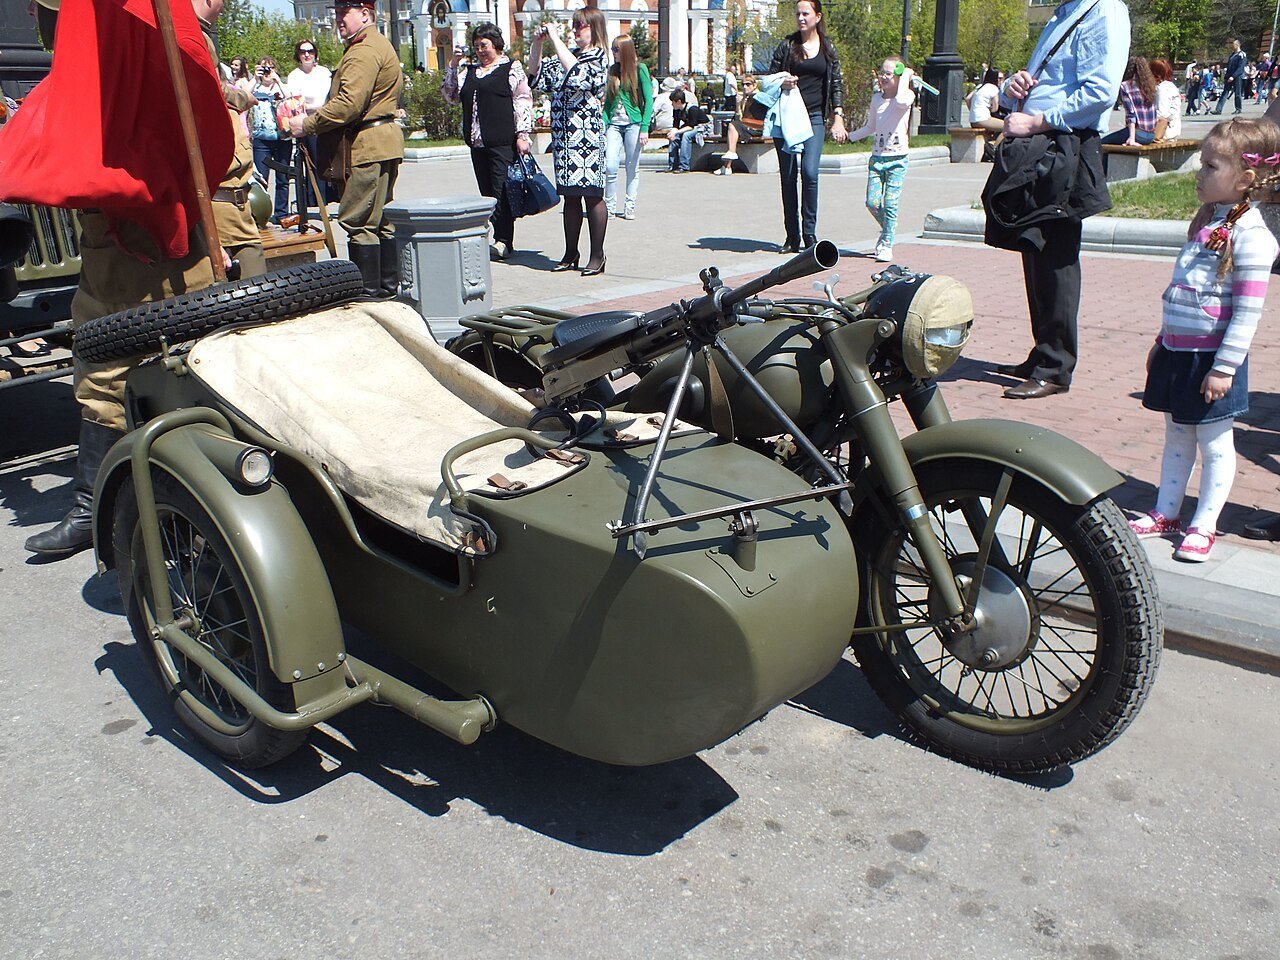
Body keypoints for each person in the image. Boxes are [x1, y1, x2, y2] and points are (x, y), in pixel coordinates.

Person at [24, 0, 255, 559]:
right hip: (123, 222)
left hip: (162, 222)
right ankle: (98, 503)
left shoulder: (153, 35)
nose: (39, 19)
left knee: (179, 363)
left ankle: (197, 505)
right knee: (110, 360)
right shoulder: (115, 40)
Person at [1127, 119, 1280, 561]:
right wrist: (1163, 340)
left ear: (1245, 178)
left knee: (1214, 444)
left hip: (1212, 360)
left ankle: (1204, 524)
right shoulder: (1209, 221)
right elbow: (1182, 288)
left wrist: (1224, 367)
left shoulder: (1252, 237)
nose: (1199, 172)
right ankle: (1167, 511)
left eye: (1211, 166)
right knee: (1177, 435)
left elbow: (1247, 313)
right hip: (1179, 352)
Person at [988, 0, 1128, 401]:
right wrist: (1013, 90)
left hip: (1064, 146)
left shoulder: (1104, 10)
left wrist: (1036, 121)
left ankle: (1055, 367)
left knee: (1056, 257)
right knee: (1036, 251)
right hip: (1043, 144)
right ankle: (1043, 354)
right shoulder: (1065, 13)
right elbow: (1054, 83)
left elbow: (1099, 92)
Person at [290, 0, 405, 300]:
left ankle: (368, 299)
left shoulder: (363, 50)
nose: (338, 19)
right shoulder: (376, 43)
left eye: (345, 13)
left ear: (365, 14)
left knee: (359, 221)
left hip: (367, 145)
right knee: (379, 220)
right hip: (380, 141)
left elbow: (348, 104)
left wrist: (308, 124)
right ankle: (386, 294)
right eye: (337, 13)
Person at [442, 22, 533, 261]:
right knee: (487, 193)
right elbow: (450, 95)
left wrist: (523, 135)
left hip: (502, 141)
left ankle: (504, 240)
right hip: (477, 144)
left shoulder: (510, 68)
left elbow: (522, 100)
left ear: (496, 44)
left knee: (502, 190)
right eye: (477, 46)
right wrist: (453, 64)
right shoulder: (470, 72)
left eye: (484, 45)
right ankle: (496, 235)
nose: (480, 51)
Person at [529, 6, 609, 276]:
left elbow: (577, 74)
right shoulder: (569, 54)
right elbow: (535, 77)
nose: (575, 31)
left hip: (587, 137)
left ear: (594, 28)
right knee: (570, 197)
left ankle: (597, 255)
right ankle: (570, 252)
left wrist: (555, 37)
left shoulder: (598, 57)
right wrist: (537, 44)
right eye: (574, 26)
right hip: (564, 139)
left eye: (580, 26)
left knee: (592, 196)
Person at [768, 0, 846, 253]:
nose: (801, 18)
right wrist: (782, 83)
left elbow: (836, 83)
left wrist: (838, 115)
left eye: (806, 14)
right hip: (788, 118)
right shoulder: (787, 46)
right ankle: (792, 236)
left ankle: (809, 234)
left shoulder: (827, 47)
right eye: (798, 14)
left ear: (817, 16)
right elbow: (769, 79)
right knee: (788, 176)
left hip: (813, 117)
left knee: (810, 173)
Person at [847, 56, 916, 262]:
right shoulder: (877, 99)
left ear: (899, 75)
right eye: (882, 72)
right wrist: (850, 136)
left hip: (898, 159)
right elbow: (871, 126)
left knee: (891, 203)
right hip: (877, 159)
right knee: (872, 202)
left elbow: (901, 101)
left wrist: (906, 76)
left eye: (889, 73)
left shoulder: (907, 96)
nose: (884, 77)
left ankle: (887, 243)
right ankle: (889, 227)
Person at [602, 34, 652, 220]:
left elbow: (649, 101)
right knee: (610, 166)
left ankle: (629, 206)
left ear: (626, 51)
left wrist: (645, 128)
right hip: (614, 125)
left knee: (632, 167)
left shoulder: (640, 69)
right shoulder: (612, 71)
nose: (613, 53)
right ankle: (609, 206)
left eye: (616, 49)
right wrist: (603, 123)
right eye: (613, 49)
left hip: (634, 124)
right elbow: (608, 103)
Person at [286, 37, 333, 209]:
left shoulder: (324, 73)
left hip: (325, 121)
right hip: (305, 123)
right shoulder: (294, 76)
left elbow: (327, 100)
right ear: (298, 55)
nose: (307, 55)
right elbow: (295, 101)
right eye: (303, 52)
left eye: (310, 51)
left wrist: (311, 105)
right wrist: (310, 106)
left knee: (327, 161)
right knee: (310, 163)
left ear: (315, 54)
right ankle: (313, 201)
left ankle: (328, 199)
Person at [250, 56, 292, 223]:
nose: (267, 72)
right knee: (261, 178)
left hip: (282, 138)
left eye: (270, 68)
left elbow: (291, 98)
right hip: (261, 139)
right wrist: (255, 78)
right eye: (264, 68)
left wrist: (278, 81)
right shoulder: (255, 86)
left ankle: (281, 213)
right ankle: (263, 213)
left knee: (283, 178)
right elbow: (244, 95)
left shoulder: (281, 87)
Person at [1102, 56, 1157, 150]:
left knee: (1102, 143)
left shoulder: (1125, 86)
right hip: (1151, 135)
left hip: (1137, 133)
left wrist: (1132, 138)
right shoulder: (1150, 86)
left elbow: (1131, 114)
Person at [714, 74, 764, 176]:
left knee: (732, 126)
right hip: (747, 127)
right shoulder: (744, 98)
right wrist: (738, 104)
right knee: (731, 131)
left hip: (757, 128)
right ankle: (728, 165)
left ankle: (728, 163)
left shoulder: (759, 97)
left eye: (748, 84)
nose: (745, 87)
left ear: (754, 85)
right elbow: (739, 117)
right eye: (743, 84)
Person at [664, 88, 710, 173]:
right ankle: (673, 164)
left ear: (678, 101)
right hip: (691, 126)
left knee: (686, 135)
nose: (671, 104)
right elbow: (676, 124)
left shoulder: (692, 109)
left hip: (702, 127)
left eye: (673, 102)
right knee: (673, 137)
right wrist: (673, 132)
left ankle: (684, 166)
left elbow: (692, 126)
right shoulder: (676, 110)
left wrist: (677, 131)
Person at [1150, 59, 1181, 142]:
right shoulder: (1170, 86)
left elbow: (1161, 113)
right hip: (1173, 129)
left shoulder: (1162, 89)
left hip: (1163, 131)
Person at [966, 68, 1003, 134]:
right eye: (999, 78)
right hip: (983, 119)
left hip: (973, 121)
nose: (1000, 80)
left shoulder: (979, 86)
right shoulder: (993, 88)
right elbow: (995, 109)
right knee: (1008, 127)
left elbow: (968, 99)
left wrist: (972, 110)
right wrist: (990, 109)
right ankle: (996, 141)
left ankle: (992, 139)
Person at [1215, 39, 1245, 115]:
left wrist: (1233, 76)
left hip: (1237, 77)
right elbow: (1229, 67)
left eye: (1234, 44)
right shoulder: (1232, 55)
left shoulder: (1242, 54)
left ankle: (1238, 109)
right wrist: (1226, 77)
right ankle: (1218, 109)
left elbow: (1240, 68)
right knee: (1225, 92)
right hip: (1229, 76)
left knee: (1237, 93)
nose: (1232, 46)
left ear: (1238, 45)